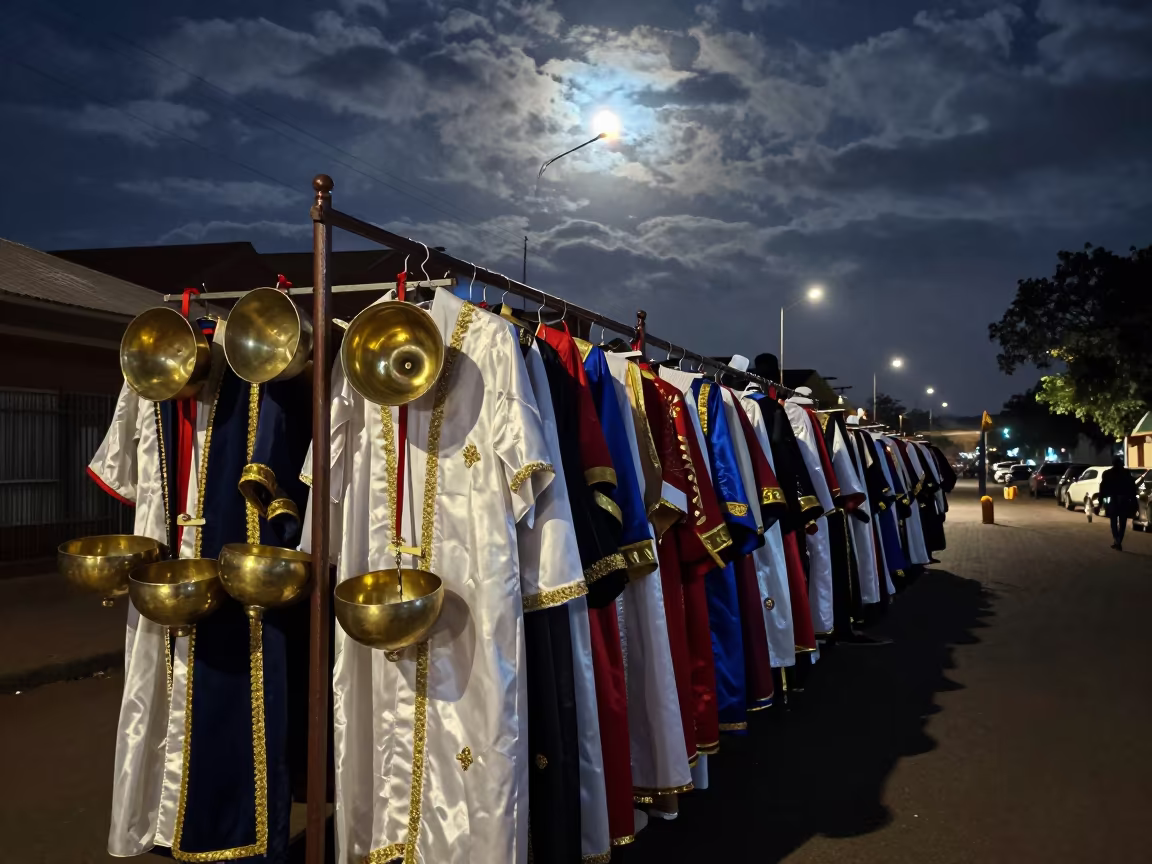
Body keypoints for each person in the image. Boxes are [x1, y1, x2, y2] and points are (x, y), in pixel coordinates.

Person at [1100, 457, 1138, 551]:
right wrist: (1133, 500)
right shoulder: (1126, 473)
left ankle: (1117, 540)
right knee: (1122, 522)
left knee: (1113, 521)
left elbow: (1103, 487)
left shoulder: (1108, 473)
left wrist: (1101, 500)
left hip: (1114, 499)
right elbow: (1132, 487)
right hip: (1123, 499)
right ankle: (1118, 540)